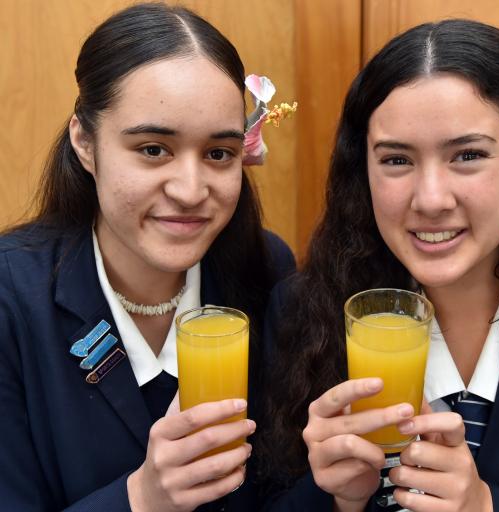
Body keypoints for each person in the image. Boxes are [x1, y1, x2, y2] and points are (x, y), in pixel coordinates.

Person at [260, 19, 499, 511]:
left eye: (468, 155)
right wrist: (338, 501)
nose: (430, 199)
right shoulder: (302, 311)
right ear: (361, 172)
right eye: (396, 160)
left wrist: (485, 506)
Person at [0, 3, 295, 511]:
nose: (189, 189)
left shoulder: (268, 269)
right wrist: (143, 498)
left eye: (218, 153)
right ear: (85, 142)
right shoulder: (12, 298)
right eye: (153, 149)